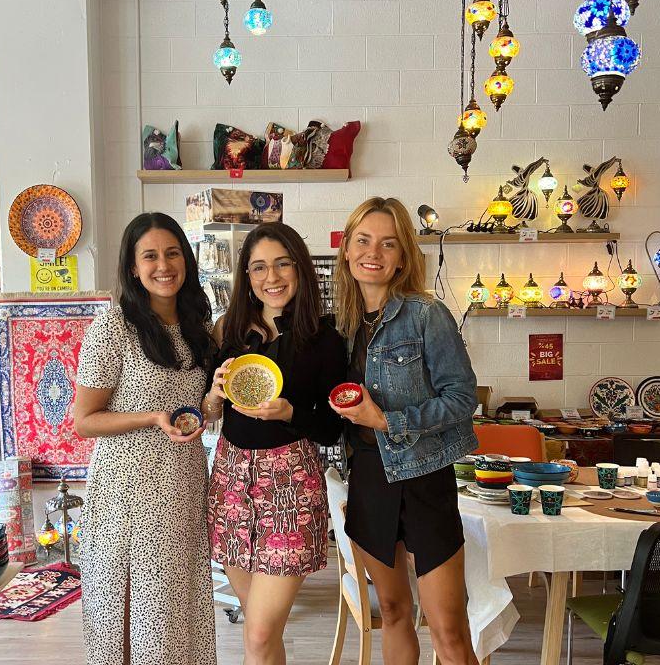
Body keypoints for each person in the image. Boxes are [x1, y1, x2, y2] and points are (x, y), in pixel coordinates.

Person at [329, 197, 479, 665]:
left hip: (424, 477)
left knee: (448, 631)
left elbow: (462, 398)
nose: (374, 252)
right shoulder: (343, 326)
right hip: (370, 478)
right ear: (348, 252)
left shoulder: (425, 314)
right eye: (364, 241)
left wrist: (387, 420)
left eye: (388, 243)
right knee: (392, 611)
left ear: (402, 257)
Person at [74, 212, 217, 665]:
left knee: (175, 610)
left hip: (183, 484)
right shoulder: (114, 326)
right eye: (150, 255)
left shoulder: (199, 325)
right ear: (133, 267)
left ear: (187, 260)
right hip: (128, 493)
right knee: (134, 611)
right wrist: (151, 417)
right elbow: (85, 420)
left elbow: (199, 410)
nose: (163, 265)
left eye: (172, 253)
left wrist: (216, 400)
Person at [203, 222, 346, 665]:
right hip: (229, 484)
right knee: (259, 630)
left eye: (283, 264)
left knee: (260, 632)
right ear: (246, 276)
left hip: (291, 488)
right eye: (259, 267)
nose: (272, 277)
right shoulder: (228, 331)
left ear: (301, 268)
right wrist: (212, 394)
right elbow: (208, 413)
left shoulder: (324, 339)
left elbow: (333, 429)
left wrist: (290, 413)